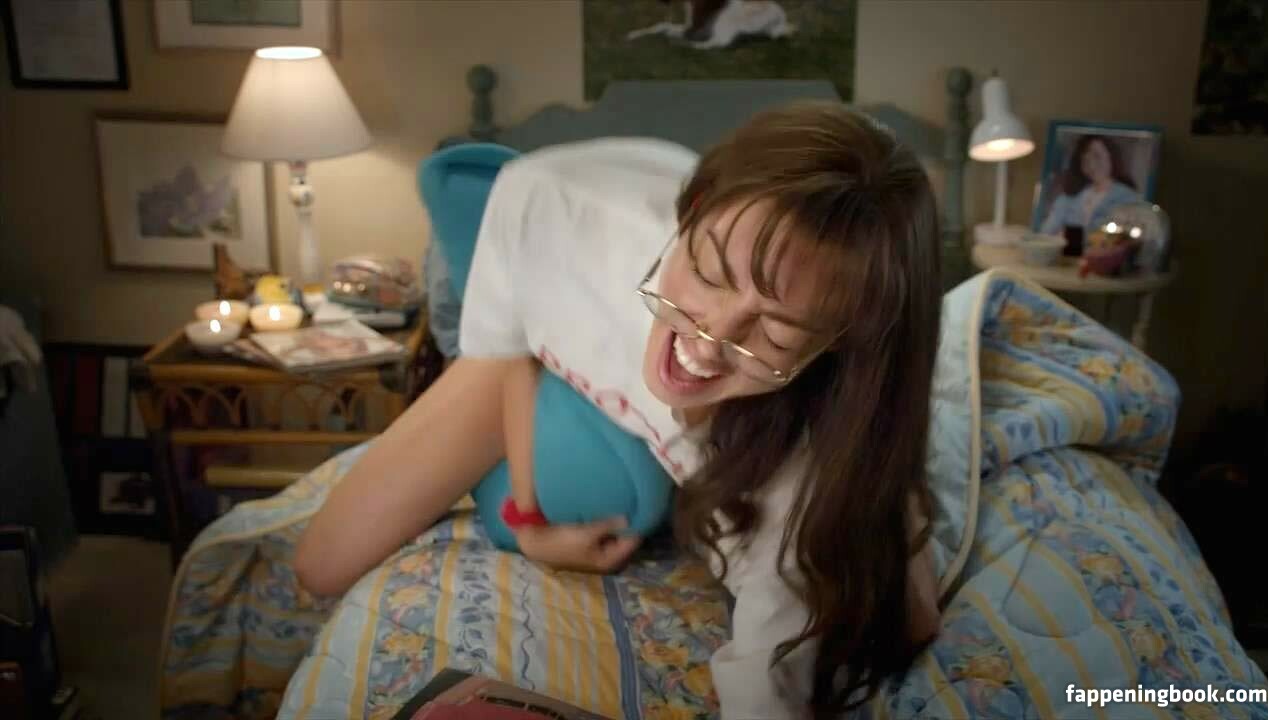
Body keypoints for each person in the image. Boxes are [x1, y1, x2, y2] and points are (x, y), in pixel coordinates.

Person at [295, 102, 942, 719]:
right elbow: (512, 354)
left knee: (907, 612)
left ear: (832, 348)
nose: (706, 343)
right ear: (690, 211)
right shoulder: (547, 202)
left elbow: (768, 686)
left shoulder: (798, 481)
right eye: (709, 274)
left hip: (769, 443)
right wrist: (529, 519)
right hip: (549, 310)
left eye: (773, 333)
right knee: (320, 566)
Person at [1038, 133, 1141, 236]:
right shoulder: (1068, 198)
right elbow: (1046, 232)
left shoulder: (1128, 198)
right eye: (1085, 160)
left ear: (1112, 157)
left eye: (1097, 156)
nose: (1092, 165)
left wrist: (1070, 235)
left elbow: (1126, 237)